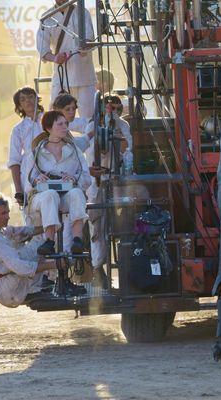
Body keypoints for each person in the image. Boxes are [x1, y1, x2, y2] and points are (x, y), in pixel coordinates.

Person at [24, 111, 91, 256]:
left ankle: (77, 240)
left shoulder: (74, 151)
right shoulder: (36, 153)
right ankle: (49, 241)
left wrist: (74, 179)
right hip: (42, 197)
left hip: (66, 195)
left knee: (77, 193)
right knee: (50, 194)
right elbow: (27, 183)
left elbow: (87, 178)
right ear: (49, 128)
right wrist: (37, 180)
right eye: (60, 124)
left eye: (65, 123)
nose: (65, 127)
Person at [84, 95, 134, 288]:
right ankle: (98, 270)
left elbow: (127, 149)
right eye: (108, 107)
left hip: (118, 179)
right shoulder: (92, 126)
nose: (111, 110)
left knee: (125, 221)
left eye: (114, 107)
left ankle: (128, 264)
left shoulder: (123, 126)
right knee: (97, 226)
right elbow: (93, 150)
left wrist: (115, 133)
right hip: (97, 181)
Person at [0, 196, 57, 308]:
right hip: (8, 290)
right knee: (40, 245)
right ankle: (34, 291)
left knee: (27, 246)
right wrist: (55, 265)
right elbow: (20, 268)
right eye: (3, 213)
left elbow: (17, 232)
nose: (8, 217)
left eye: (8, 212)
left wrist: (47, 227)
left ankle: (37, 286)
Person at [36, 0, 96, 118]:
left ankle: (88, 137)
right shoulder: (46, 17)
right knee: (55, 117)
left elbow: (90, 39)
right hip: (61, 76)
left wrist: (84, 49)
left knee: (89, 119)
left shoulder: (82, 13)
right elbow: (43, 50)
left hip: (84, 74)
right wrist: (55, 58)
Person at [8, 87, 45, 204]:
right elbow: (14, 161)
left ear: (36, 99)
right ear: (19, 106)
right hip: (30, 172)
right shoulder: (18, 130)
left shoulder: (51, 119)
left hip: (54, 168)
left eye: (30, 97)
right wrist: (18, 191)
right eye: (23, 99)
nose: (28, 101)